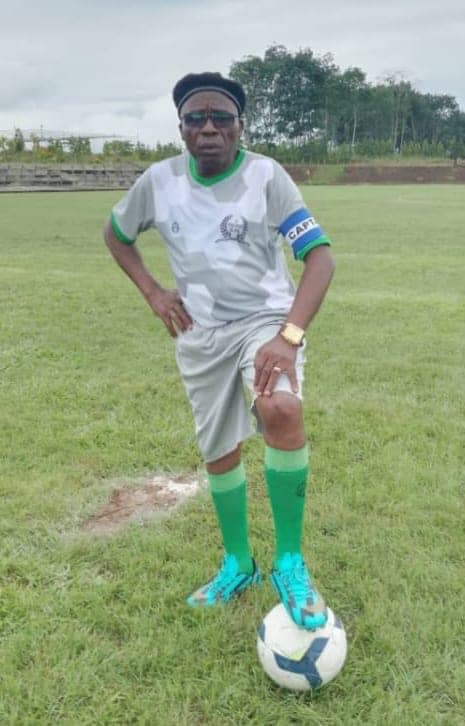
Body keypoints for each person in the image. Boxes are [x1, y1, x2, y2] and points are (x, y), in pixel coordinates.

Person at [103, 72, 335, 630]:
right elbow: (116, 234)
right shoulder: (158, 182)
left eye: (221, 118)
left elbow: (320, 258)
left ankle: (288, 561)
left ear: (240, 126)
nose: (209, 128)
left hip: (264, 322)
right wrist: (155, 293)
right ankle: (239, 562)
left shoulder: (266, 176)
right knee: (218, 447)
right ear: (181, 128)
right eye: (196, 119)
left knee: (281, 408)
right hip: (199, 332)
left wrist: (288, 336)